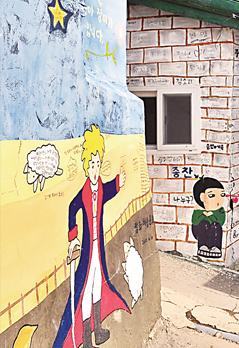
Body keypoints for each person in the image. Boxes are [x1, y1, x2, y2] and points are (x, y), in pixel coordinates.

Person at [54, 125, 130, 348]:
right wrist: (74, 238)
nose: (95, 169)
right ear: (86, 167)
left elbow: (108, 191)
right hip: (88, 250)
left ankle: (98, 332)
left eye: (97, 164)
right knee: (86, 290)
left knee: (98, 286)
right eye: (91, 165)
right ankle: (86, 339)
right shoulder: (85, 192)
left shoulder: (100, 189)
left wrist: (118, 182)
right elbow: (72, 208)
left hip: (98, 249)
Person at [191, 177, 227, 258]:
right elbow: (195, 222)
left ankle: (216, 247)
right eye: (212, 195)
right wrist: (203, 214)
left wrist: (211, 215)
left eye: (222, 195)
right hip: (200, 233)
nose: (218, 199)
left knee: (216, 225)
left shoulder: (220, 210)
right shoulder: (198, 210)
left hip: (214, 234)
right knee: (204, 224)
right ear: (202, 197)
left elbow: (221, 222)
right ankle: (203, 246)